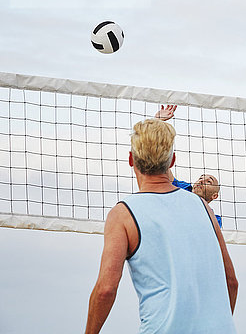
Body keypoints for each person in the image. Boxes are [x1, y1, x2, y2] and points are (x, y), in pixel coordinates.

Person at [85, 118, 238, 334]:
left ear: (131, 159)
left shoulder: (122, 214)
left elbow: (106, 290)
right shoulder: (205, 210)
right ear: (172, 160)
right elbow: (231, 283)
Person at [155, 104, 223, 227]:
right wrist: (157, 123)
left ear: (215, 196)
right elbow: (163, 164)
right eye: (201, 178)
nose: (202, 180)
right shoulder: (184, 188)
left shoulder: (214, 219)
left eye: (209, 181)